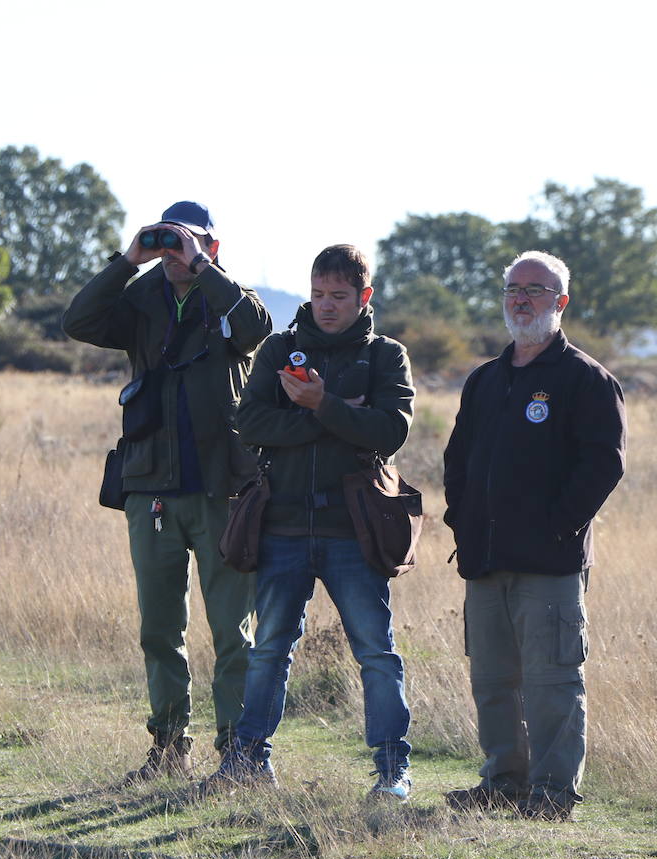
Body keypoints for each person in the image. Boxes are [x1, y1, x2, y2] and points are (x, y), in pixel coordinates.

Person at [62, 201, 271, 782]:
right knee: (159, 629)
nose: (175, 254)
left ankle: (239, 754)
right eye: (168, 243)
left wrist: (205, 269)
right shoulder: (141, 297)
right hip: (151, 484)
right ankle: (168, 748)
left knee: (233, 631)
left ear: (212, 247)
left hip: (222, 488)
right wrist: (128, 259)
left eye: (188, 243)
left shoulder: (228, 297)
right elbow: (78, 322)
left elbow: (258, 328)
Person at [200, 244, 415, 800]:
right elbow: (249, 424)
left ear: (364, 297)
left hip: (354, 530)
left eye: (339, 296)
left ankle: (393, 770)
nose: (325, 306)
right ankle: (247, 761)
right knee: (270, 646)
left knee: (375, 649)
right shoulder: (279, 350)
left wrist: (320, 406)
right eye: (318, 294)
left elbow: (390, 432)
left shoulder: (386, 356)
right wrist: (339, 417)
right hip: (284, 527)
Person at [442, 250, 626, 821]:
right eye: (513, 289)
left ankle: (552, 796)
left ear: (561, 303)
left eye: (536, 290)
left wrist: (555, 527)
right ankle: (502, 783)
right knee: (493, 681)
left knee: (552, 684)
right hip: (485, 558)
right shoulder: (486, 380)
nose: (522, 299)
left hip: (549, 564)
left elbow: (604, 466)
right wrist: (463, 521)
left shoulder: (586, 380)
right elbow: (458, 459)